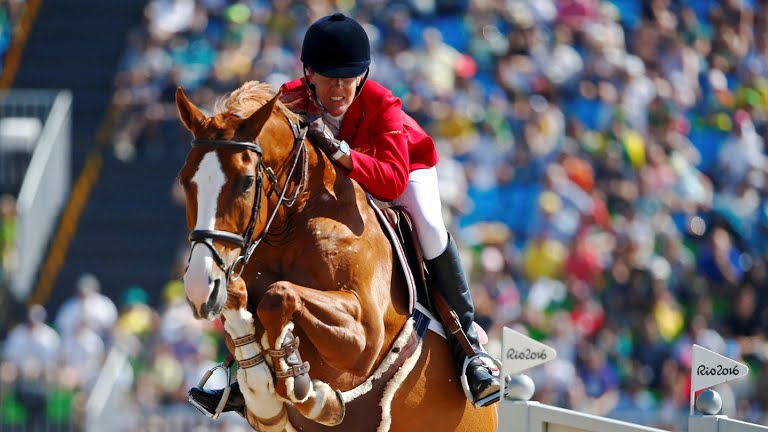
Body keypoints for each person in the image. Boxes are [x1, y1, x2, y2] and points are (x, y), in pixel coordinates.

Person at [188, 12, 502, 416]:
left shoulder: (383, 104)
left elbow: (389, 182)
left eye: (348, 77)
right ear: (308, 73)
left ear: (363, 74)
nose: (338, 89)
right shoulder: (288, 100)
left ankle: (468, 349)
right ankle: (234, 367)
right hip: (331, 188)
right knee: (260, 235)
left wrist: (340, 151)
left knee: (429, 228)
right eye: (327, 77)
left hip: (400, 171)